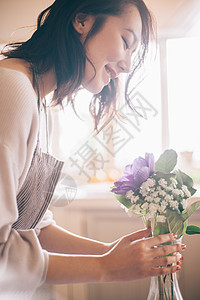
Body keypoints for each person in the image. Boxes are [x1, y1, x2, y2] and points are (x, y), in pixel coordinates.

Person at [0, 0, 185, 298]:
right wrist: (108, 267)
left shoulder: (35, 97)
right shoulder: (11, 90)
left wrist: (112, 252)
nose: (126, 66)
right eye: (126, 41)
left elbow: (33, 227)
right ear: (82, 20)